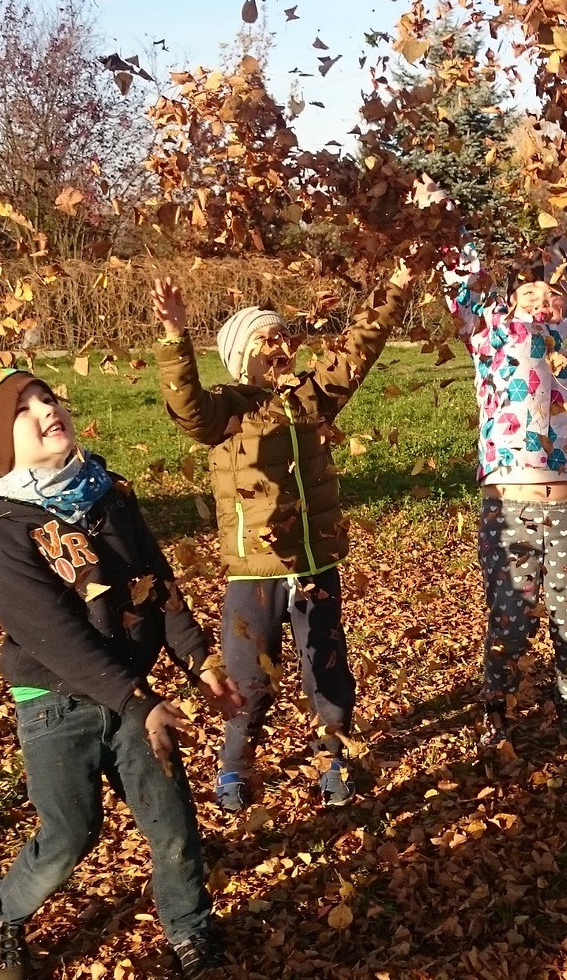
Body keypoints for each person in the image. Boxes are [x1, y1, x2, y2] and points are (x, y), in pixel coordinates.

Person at [0, 367, 242, 980]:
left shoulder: (111, 498)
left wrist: (198, 657)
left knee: (173, 824)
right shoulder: (7, 537)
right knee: (70, 835)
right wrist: (135, 697)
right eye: (25, 407)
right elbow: (58, 641)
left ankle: (190, 931)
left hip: (133, 697)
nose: (48, 408)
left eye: (48, 396)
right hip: (55, 705)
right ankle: (5, 914)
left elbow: (157, 583)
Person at [150, 262, 412, 809]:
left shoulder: (309, 400)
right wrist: (175, 338)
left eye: (284, 335)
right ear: (242, 355)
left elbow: (357, 352)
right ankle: (235, 764)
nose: (280, 345)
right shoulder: (226, 411)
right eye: (265, 338)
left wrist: (398, 286)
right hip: (255, 572)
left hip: (315, 566)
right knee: (247, 679)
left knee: (328, 669)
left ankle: (335, 756)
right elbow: (187, 407)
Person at [446, 177, 567, 756]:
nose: (542, 298)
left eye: (554, 287)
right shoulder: (490, 335)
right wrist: (444, 217)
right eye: (530, 288)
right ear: (510, 295)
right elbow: (462, 282)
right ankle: (497, 713)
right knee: (509, 619)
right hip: (507, 506)